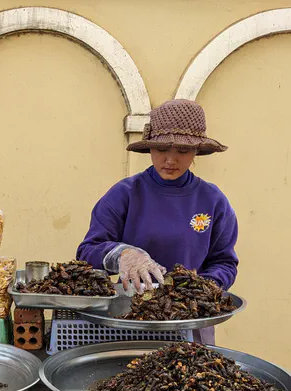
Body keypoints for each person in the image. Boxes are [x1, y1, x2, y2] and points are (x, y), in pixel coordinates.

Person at [77, 99, 238, 295]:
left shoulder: (213, 200)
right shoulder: (124, 194)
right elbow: (87, 252)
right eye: (161, 149)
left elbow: (224, 262)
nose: (170, 160)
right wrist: (122, 254)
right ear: (150, 148)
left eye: (183, 150)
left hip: (191, 315)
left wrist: (203, 287)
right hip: (132, 311)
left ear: (197, 150)